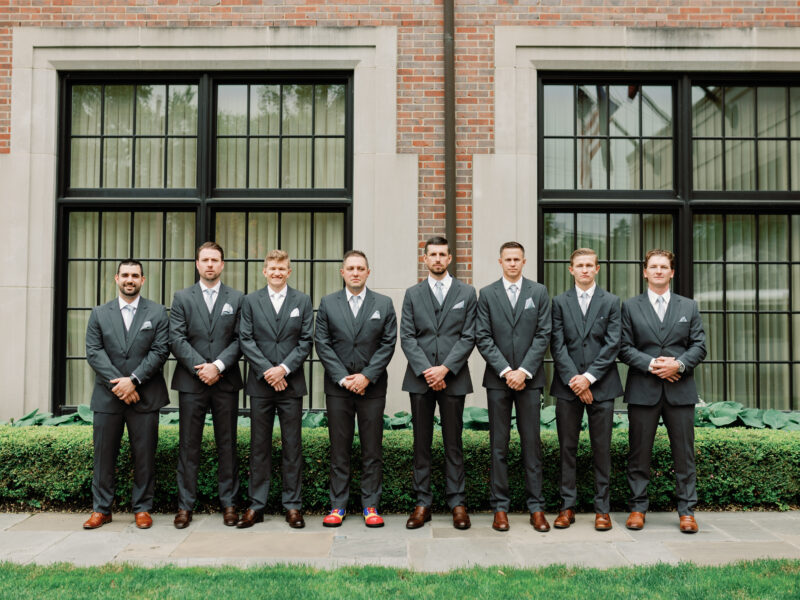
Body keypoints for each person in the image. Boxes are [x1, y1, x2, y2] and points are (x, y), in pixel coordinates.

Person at [619, 249, 706, 533]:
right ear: (645, 272)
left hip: (680, 392)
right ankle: (637, 508)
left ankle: (687, 511)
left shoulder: (689, 307)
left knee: (684, 455)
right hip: (643, 390)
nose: (658, 271)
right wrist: (653, 364)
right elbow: (623, 347)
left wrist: (678, 365)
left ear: (672, 272)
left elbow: (699, 346)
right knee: (638, 454)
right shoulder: (630, 307)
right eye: (653, 267)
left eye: (663, 267)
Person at [83, 259, 169, 530]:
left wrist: (133, 381)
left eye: (135, 275)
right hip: (108, 398)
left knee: (144, 455)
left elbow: (160, 351)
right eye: (125, 275)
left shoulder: (157, 312)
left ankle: (142, 508)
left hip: (145, 395)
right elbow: (94, 352)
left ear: (143, 280)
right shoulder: (99, 313)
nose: (129, 279)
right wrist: (119, 386)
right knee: (104, 456)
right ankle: (101, 509)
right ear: (116, 279)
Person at [314, 250, 397, 527]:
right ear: (342, 272)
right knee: (340, 449)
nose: (355, 273)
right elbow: (322, 343)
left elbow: (388, 344)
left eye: (361, 268)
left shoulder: (383, 304)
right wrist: (343, 378)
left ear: (368, 272)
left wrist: (366, 377)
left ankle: (370, 506)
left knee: (372, 449)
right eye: (350, 268)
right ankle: (338, 506)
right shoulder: (328, 303)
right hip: (339, 388)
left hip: (372, 388)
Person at [400, 236, 477, 530]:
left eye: (442, 254)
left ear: (450, 258)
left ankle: (457, 503)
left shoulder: (467, 293)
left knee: (453, 443)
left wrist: (444, 369)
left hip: (453, 379)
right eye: (432, 254)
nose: (437, 259)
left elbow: (468, 336)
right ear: (425, 258)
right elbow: (407, 336)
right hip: (420, 381)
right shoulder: (412, 293)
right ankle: (422, 503)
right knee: (421, 443)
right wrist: (427, 371)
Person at [475, 241, 552, 532]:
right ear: (500, 261)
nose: (512, 264)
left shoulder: (539, 292)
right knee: (499, 446)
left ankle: (536, 508)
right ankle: (500, 508)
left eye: (517, 259)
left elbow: (544, 333)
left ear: (524, 261)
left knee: (532, 445)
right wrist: (507, 371)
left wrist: (524, 371)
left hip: (530, 381)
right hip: (498, 380)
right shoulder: (487, 294)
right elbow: (482, 336)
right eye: (507, 259)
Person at [236, 249, 313, 530]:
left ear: (289, 272)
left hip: (291, 385)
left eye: (282, 268)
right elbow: (245, 339)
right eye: (272, 268)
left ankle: (293, 506)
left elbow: (306, 341)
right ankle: (257, 506)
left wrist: (284, 369)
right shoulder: (250, 301)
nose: (277, 272)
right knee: (259, 447)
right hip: (261, 384)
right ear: (264, 271)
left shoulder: (302, 301)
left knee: (293, 447)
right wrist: (269, 371)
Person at [169, 242, 243, 529]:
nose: (210, 264)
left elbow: (241, 338)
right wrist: (202, 367)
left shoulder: (237, 298)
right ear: (197, 264)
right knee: (189, 445)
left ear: (222, 264)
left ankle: (229, 504)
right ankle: (185, 506)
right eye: (205, 260)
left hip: (225, 381)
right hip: (192, 382)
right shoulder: (182, 297)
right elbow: (176, 338)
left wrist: (219, 366)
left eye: (215, 260)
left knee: (228, 445)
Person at [550, 248, 623, 531]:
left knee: (601, 449)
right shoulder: (558, 302)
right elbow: (556, 344)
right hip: (568, 387)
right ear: (570, 270)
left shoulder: (611, 301)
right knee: (567, 449)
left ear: (597, 269)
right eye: (579, 265)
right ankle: (567, 507)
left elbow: (612, 344)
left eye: (589, 265)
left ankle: (602, 510)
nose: (584, 270)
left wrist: (589, 378)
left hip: (602, 386)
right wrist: (575, 380)